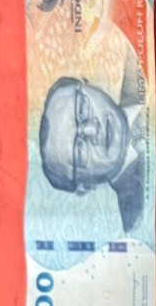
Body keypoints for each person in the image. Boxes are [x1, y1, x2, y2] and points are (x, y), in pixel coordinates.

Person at [35, 54, 150, 233]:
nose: (92, 130)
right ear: (86, 186)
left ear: (89, 85)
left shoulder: (136, 63)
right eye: (80, 150)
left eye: (82, 110)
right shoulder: (137, 221)